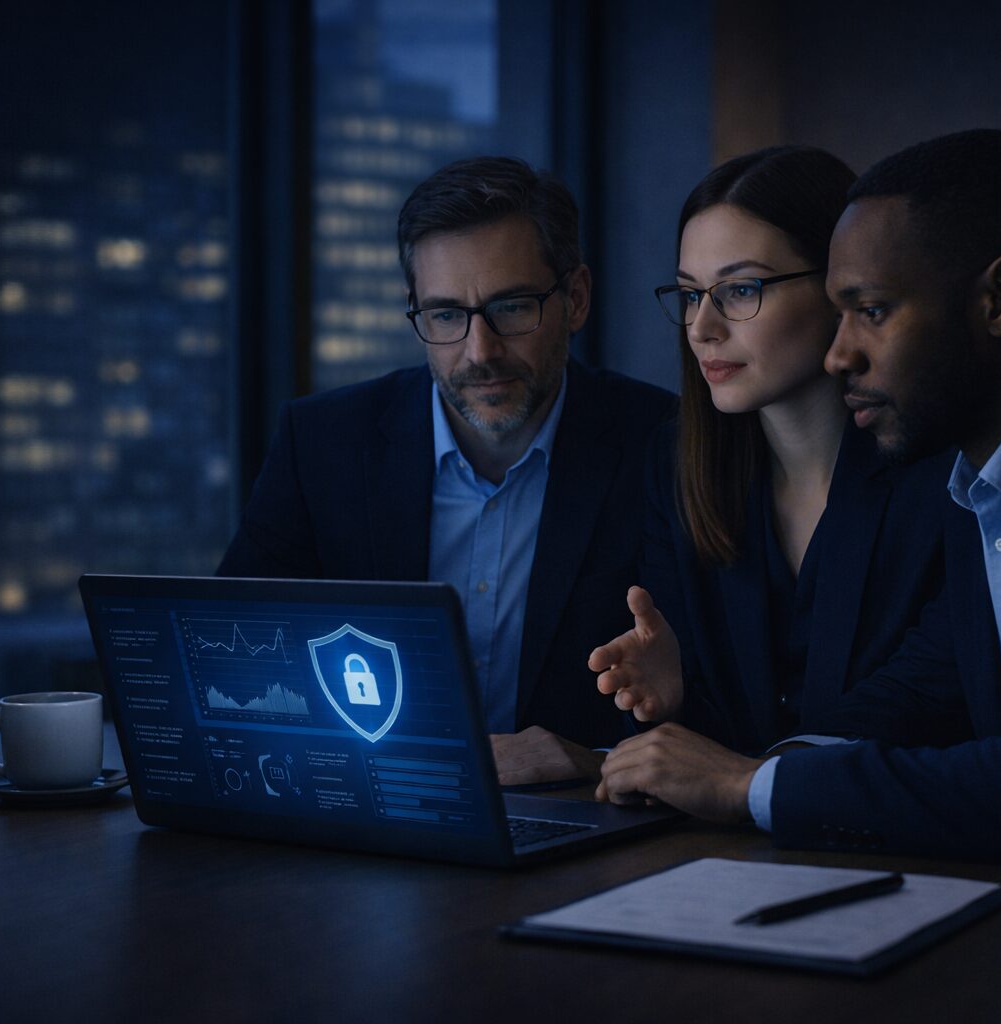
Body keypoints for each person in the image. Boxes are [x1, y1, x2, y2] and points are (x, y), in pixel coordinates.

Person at [595, 129, 1001, 866]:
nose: (839, 353)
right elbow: (917, 694)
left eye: (871, 310)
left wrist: (749, 785)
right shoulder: (984, 478)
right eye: (690, 295)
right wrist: (724, 765)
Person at [219, 156, 676, 773]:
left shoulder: (664, 445)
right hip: (367, 815)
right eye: (445, 315)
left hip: (589, 822)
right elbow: (230, 662)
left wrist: (593, 761)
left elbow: (716, 698)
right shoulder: (321, 444)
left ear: (576, 299)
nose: (479, 351)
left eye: (512, 307)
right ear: (416, 313)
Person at [583, 146, 957, 767]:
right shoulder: (675, 468)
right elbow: (705, 742)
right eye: (689, 295)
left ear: (840, 288)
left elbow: (934, 707)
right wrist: (677, 699)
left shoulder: (941, 472)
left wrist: (749, 778)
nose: (701, 328)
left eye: (739, 290)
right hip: (726, 854)